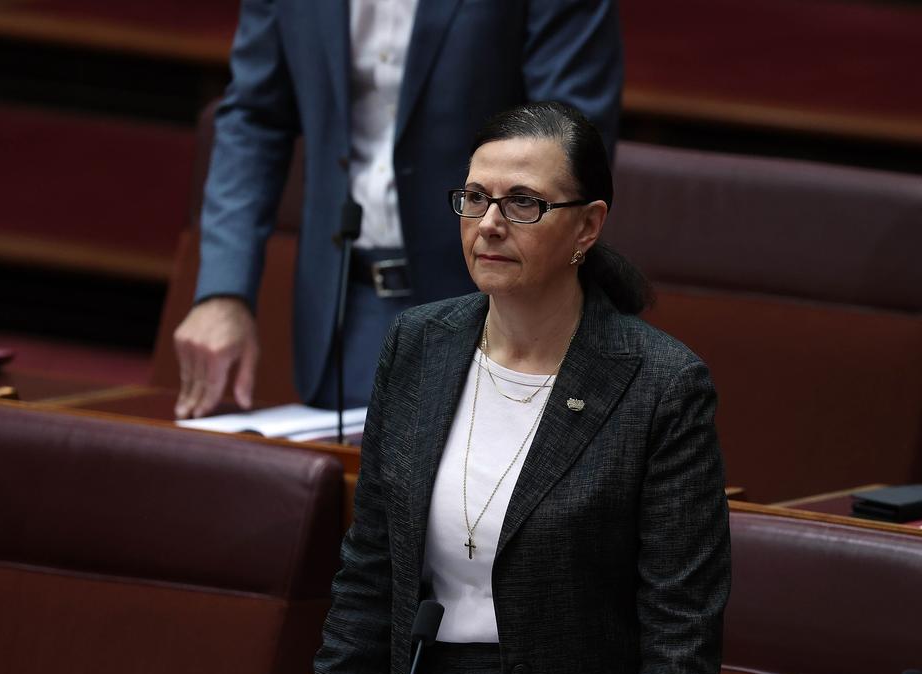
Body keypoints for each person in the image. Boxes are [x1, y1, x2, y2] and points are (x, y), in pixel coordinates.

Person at [298, 102, 730, 674]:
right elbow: (369, 578)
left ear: (587, 226)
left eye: (523, 202)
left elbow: (681, 630)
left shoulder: (661, 385)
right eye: (475, 197)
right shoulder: (417, 346)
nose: (490, 224)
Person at [172, 1, 623, 418]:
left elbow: (569, 144)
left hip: (495, 305)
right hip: (345, 305)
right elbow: (255, 116)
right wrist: (223, 290)